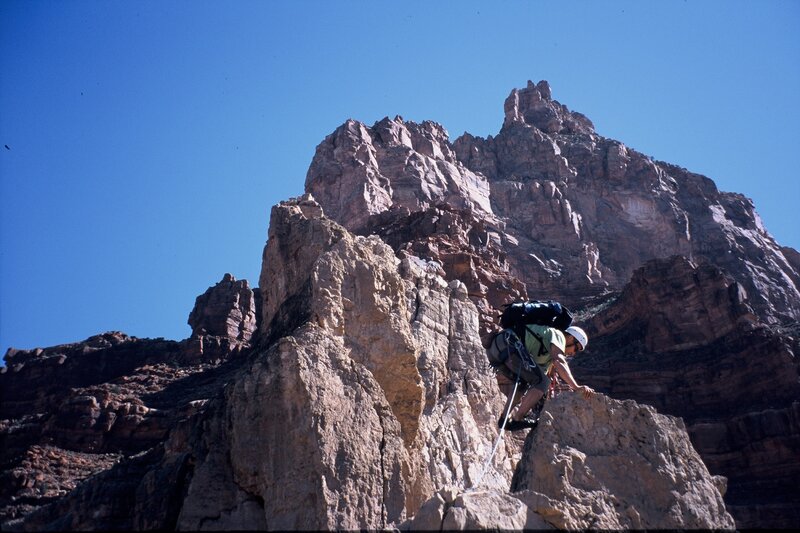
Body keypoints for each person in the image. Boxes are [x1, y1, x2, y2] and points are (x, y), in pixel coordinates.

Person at [497, 324, 594, 431]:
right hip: (510, 347)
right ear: (571, 338)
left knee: (525, 382)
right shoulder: (559, 336)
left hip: (500, 349)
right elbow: (559, 361)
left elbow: (541, 372)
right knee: (543, 382)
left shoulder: (548, 351)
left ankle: (504, 419)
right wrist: (576, 387)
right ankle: (517, 419)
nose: (574, 353)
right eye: (576, 348)